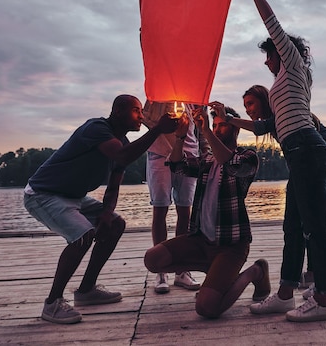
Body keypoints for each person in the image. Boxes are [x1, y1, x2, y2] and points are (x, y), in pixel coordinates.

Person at [232, 0, 326, 322]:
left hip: (308, 149)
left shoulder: (293, 66)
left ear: (282, 51)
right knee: (292, 227)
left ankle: (323, 301)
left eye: (268, 55)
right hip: (298, 154)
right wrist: (230, 120)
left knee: (316, 228)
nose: (265, 62)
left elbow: (270, 21)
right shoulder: (284, 84)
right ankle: (286, 293)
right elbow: (265, 127)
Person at [23, 95, 178, 324]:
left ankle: (86, 291)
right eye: (136, 111)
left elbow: (114, 185)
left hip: (74, 197)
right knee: (83, 236)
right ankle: (52, 303)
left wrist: (106, 214)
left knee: (115, 224)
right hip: (43, 194)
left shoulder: (123, 142)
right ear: (118, 112)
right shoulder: (96, 128)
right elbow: (122, 156)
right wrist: (157, 130)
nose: (141, 116)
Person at [144, 105, 271, 319]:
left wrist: (205, 132)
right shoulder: (207, 161)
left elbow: (229, 163)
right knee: (153, 259)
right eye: (215, 125)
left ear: (235, 130)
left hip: (231, 246)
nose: (217, 129)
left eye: (223, 126)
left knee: (207, 308)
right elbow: (177, 166)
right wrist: (180, 137)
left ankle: (255, 271)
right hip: (201, 241)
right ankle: (212, 270)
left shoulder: (248, 157)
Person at [236, 85, 326, 299]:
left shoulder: (284, 112)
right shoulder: (275, 120)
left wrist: (228, 119)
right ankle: (315, 279)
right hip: (311, 163)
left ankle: (322, 282)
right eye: (245, 106)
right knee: (302, 222)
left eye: (251, 103)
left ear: (265, 99)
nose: (248, 109)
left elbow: (259, 127)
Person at [141, 100, 201, 294]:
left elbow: (201, 126)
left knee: (185, 211)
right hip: (159, 154)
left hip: (189, 153)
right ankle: (160, 271)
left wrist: (204, 150)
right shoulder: (156, 95)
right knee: (160, 209)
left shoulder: (194, 95)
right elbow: (145, 119)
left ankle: (181, 270)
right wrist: (163, 124)